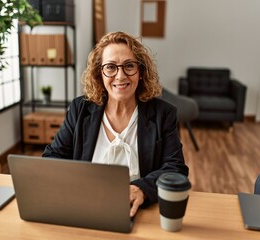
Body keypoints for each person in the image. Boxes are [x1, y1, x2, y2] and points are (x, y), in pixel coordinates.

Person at [42, 31, 189, 217]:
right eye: (111, 67)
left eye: (129, 66)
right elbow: (52, 157)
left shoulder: (163, 114)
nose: (120, 76)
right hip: (84, 207)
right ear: (99, 73)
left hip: (139, 211)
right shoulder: (80, 109)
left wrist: (141, 189)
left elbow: (175, 168)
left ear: (141, 72)